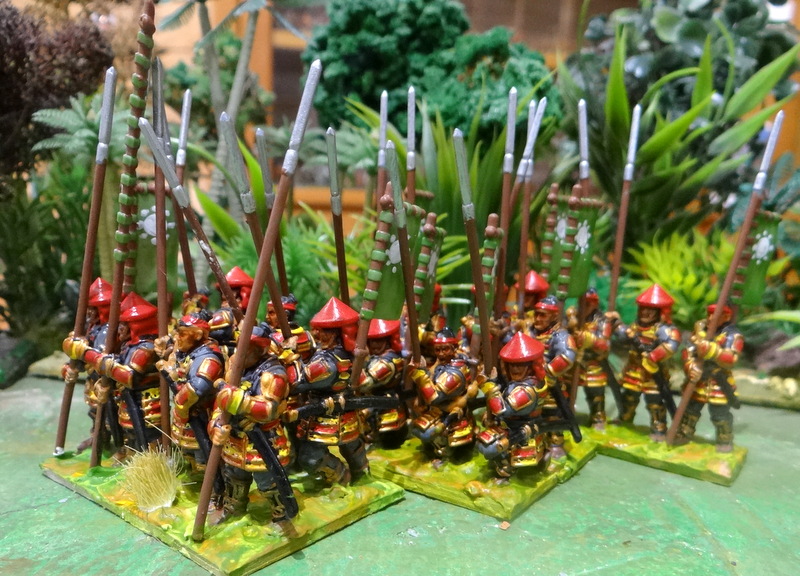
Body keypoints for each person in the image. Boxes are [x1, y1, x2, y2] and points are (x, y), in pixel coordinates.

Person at [210, 324, 294, 522]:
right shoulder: (234, 365)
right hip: (234, 436)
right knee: (234, 477)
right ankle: (233, 508)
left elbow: (268, 409)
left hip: (263, 439)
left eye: (246, 349)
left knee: (268, 481)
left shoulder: (273, 374)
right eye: (239, 347)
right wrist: (215, 426)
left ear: (260, 350)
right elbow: (221, 402)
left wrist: (238, 400)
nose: (240, 354)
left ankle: (282, 515)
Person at [63, 292, 162, 458]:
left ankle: (147, 460)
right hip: (127, 398)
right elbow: (116, 362)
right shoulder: (128, 345)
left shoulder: (145, 350)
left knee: (146, 433)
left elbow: (128, 375)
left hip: (146, 401)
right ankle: (127, 451)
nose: (118, 328)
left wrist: (88, 354)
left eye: (124, 324)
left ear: (137, 326)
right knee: (126, 429)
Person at [286, 297, 368, 485]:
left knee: (310, 458)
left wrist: (289, 356)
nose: (316, 333)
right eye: (316, 329)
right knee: (352, 447)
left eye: (322, 330)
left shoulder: (327, 363)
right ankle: (361, 473)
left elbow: (296, 382)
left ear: (336, 334)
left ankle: (341, 477)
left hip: (326, 417)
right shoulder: (341, 354)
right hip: (340, 414)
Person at [155, 312, 224, 473]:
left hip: (201, 414)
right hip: (185, 415)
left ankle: (207, 483)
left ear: (198, 335)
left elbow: (197, 388)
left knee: (203, 458)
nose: (177, 338)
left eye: (182, 334)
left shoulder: (209, 358)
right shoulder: (189, 350)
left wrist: (173, 376)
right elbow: (176, 357)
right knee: (188, 453)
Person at [615, 284, 681, 441]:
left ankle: (659, 428)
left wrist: (653, 356)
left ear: (660, 312)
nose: (645, 312)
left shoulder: (663, 329)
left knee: (655, 402)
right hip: (634, 370)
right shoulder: (635, 326)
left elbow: (671, 344)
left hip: (653, 373)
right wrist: (617, 325)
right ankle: (625, 418)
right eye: (643, 308)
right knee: (628, 397)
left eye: (650, 309)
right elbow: (623, 338)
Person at [674, 304, 743, 452]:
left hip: (719, 381)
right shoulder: (700, 331)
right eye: (710, 314)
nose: (711, 318)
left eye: (716, 315)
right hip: (699, 379)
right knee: (690, 411)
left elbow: (731, 359)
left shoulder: (732, 335)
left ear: (726, 317)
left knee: (720, 415)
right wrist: (690, 367)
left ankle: (724, 439)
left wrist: (712, 350)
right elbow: (687, 351)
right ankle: (684, 433)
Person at [477, 332, 547, 478]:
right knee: (482, 440)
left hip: (521, 427)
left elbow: (501, 409)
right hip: (509, 424)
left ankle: (505, 466)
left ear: (531, 366)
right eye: (512, 365)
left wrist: (488, 386)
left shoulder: (526, 390)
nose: (515, 369)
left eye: (520, 365)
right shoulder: (517, 383)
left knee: (490, 448)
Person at [408, 327, 478, 464]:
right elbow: (431, 377)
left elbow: (434, 397)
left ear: (454, 348)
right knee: (418, 428)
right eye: (438, 350)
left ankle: (446, 453)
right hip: (437, 410)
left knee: (431, 433)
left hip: (451, 411)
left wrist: (420, 375)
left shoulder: (455, 372)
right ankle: (434, 449)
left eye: (445, 349)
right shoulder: (441, 364)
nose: (441, 354)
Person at [528, 295, 577, 459]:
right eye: (536, 314)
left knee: (552, 413)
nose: (537, 318)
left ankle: (556, 443)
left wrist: (547, 371)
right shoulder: (530, 331)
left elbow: (567, 355)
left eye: (542, 315)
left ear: (554, 316)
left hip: (550, 384)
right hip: (529, 383)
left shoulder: (560, 335)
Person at [355, 318, 408, 449]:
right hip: (374, 398)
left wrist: (355, 365)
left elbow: (364, 383)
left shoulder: (387, 362)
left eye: (379, 340)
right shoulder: (377, 357)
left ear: (388, 340)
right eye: (371, 340)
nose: (374, 344)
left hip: (385, 402)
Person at [566, 288, 615, 430]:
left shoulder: (602, 322)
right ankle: (565, 415)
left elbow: (605, 345)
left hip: (592, 363)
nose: (583, 308)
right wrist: (569, 327)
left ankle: (598, 417)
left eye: (587, 304)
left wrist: (589, 339)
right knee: (566, 390)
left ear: (594, 304)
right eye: (582, 304)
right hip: (573, 363)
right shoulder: (572, 317)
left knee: (596, 393)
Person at [209, 266, 253, 357]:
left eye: (228, 300)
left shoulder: (250, 322)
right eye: (223, 300)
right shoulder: (222, 315)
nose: (224, 304)